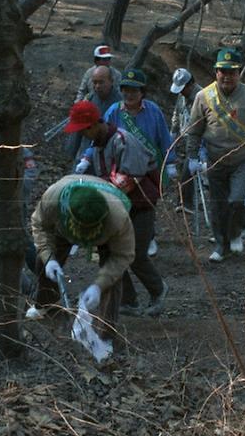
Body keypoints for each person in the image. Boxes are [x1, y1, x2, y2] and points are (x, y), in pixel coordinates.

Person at [62, 100, 169, 317]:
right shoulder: (97, 146)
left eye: (83, 131)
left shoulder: (123, 140)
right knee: (107, 253)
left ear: (92, 125)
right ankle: (128, 300)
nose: (82, 136)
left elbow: (128, 179)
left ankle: (158, 291)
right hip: (114, 203)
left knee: (135, 254)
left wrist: (95, 193)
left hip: (139, 205)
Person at [27, 174, 135, 343]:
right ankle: (45, 303)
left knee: (114, 279)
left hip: (106, 235)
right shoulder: (53, 199)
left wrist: (98, 286)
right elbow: (40, 225)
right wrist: (48, 258)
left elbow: (122, 255)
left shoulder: (118, 217)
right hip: (63, 229)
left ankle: (105, 334)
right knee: (43, 261)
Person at [187, 49, 245, 262]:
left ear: (239, 72)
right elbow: (194, 130)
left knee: (236, 200)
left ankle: (234, 233)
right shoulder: (203, 97)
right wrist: (192, 157)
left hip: (243, 160)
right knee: (217, 205)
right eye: (222, 71)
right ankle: (221, 245)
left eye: (232, 72)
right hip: (214, 160)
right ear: (216, 72)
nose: (227, 76)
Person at [101, 68, 177, 257]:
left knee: (146, 203)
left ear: (142, 92)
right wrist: (87, 157)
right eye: (126, 90)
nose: (129, 94)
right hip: (122, 169)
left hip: (149, 168)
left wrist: (171, 162)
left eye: (134, 91)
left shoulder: (153, 111)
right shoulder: (114, 111)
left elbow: (164, 137)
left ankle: (148, 238)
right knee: (123, 204)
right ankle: (124, 240)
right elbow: (101, 135)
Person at [70, 65, 123, 163]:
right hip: (85, 153)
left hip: (109, 156)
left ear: (111, 81)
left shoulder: (121, 103)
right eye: (95, 82)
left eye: (101, 82)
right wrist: (71, 153)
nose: (97, 86)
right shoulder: (88, 100)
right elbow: (78, 128)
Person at [169, 68, 203, 212]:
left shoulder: (201, 96)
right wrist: (173, 132)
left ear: (190, 84)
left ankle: (186, 203)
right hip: (183, 137)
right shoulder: (181, 96)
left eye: (183, 89)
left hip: (197, 139)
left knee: (188, 170)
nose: (181, 92)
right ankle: (183, 200)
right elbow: (177, 113)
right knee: (182, 168)